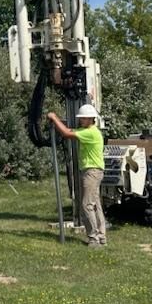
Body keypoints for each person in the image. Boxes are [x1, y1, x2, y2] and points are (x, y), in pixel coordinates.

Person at [47, 105, 107, 248]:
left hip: (91, 172)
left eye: (83, 118)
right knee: (95, 205)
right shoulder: (89, 131)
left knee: (86, 205)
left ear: (91, 119)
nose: (80, 120)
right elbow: (69, 130)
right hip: (93, 171)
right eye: (80, 118)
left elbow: (67, 134)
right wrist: (58, 122)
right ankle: (101, 237)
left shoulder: (91, 133)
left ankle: (94, 238)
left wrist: (54, 118)